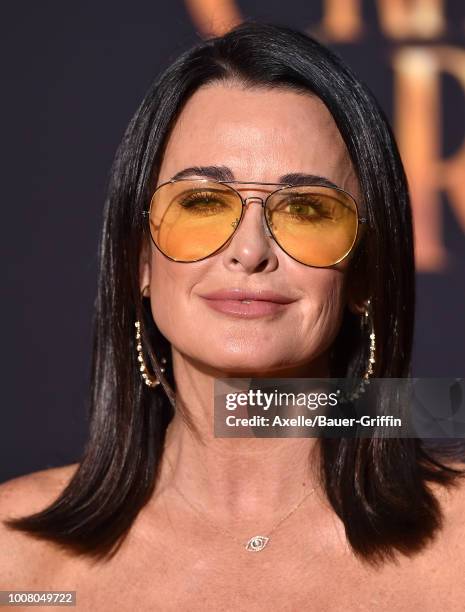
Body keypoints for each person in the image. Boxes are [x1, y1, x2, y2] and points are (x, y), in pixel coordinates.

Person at [1, 21, 464, 610]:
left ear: (367, 274)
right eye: (200, 202)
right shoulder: (16, 564)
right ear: (138, 257)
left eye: (305, 209)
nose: (250, 251)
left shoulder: (458, 553)